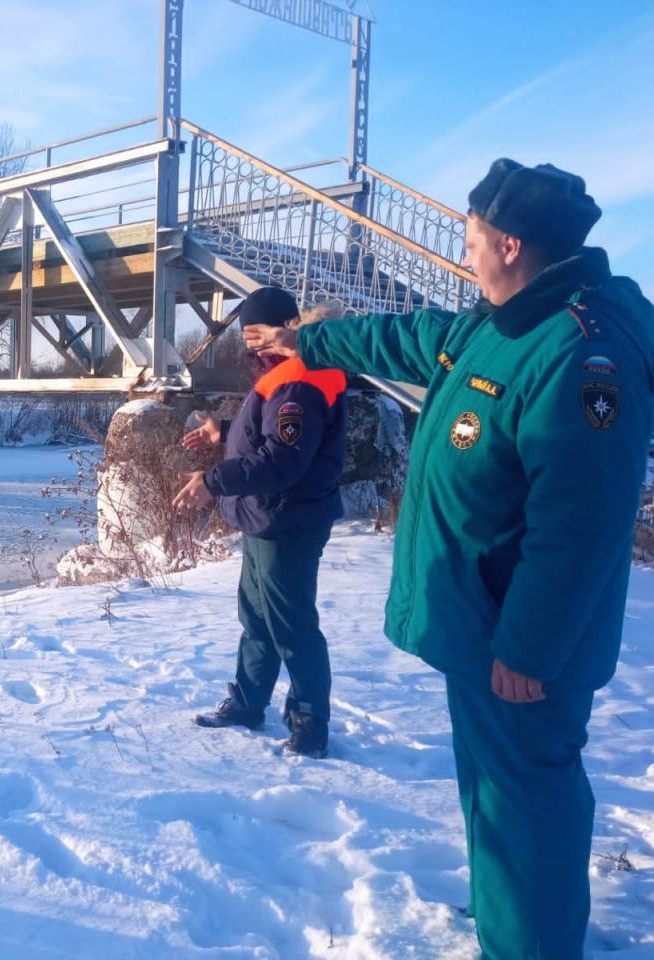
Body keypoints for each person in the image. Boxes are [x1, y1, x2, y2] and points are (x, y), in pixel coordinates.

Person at [243, 159, 653, 959]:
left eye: (469, 242)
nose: (463, 256)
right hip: (484, 622)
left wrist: (530, 646)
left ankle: (529, 942)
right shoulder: (503, 318)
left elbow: (579, 525)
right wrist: (312, 340)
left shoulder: (578, 352)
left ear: (509, 243)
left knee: (525, 800)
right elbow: (412, 334)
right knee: (497, 794)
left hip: (522, 643)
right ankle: (510, 916)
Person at [173, 286, 348, 758]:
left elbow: (284, 460)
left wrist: (214, 479)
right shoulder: (285, 375)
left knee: (291, 625)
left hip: (287, 519)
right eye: (244, 334)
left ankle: (310, 723)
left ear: (284, 327)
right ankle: (249, 704)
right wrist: (226, 433)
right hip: (266, 516)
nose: (249, 343)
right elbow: (278, 439)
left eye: (255, 333)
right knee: (257, 619)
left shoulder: (299, 380)